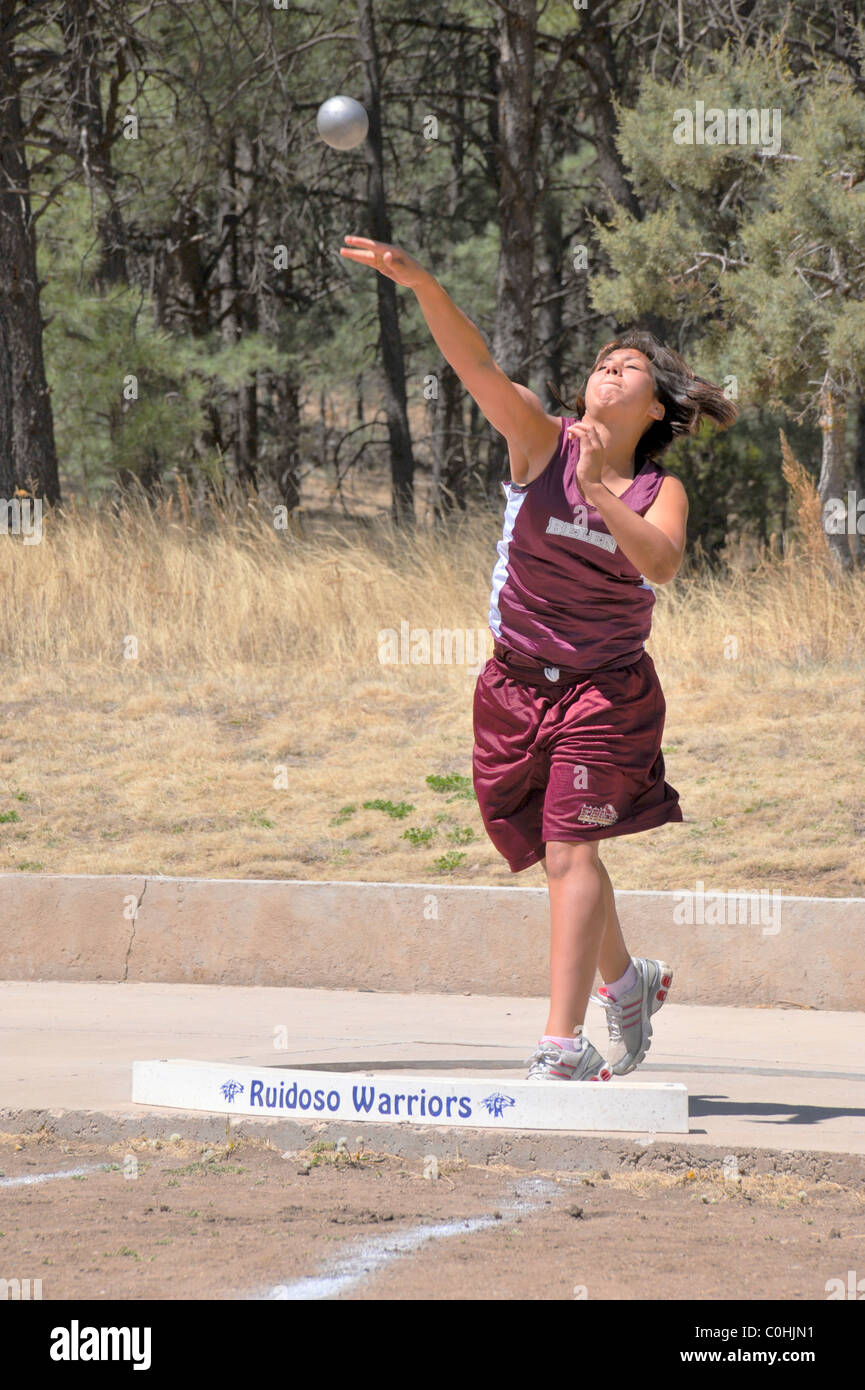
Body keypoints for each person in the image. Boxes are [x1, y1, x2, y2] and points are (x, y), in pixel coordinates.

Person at [338, 234, 738, 1082]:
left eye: (630, 368)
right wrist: (423, 285)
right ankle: (627, 981)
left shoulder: (656, 490)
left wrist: (597, 491)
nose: (610, 369)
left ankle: (562, 1047)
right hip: (515, 686)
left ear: (655, 408)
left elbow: (659, 566)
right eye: (603, 360)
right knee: (554, 850)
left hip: (607, 692)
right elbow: (475, 364)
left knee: (570, 851)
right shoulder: (537, 439)